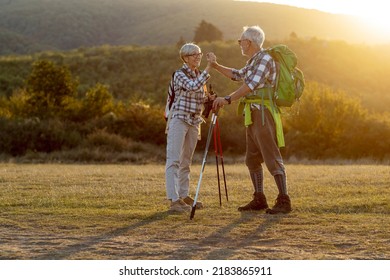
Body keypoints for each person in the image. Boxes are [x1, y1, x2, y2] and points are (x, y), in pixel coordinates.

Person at [209, 26, 292, 214]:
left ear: (250, 42)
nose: (239, 44)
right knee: (252, 159)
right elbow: (238, 75)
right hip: (253, 113)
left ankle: (284, 200)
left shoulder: (264, 59)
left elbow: (250, 85)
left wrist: (228, 99)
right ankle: (259, 199)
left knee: (271, 156)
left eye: (241, 41)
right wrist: (216, 66)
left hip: (264, 113)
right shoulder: (255, 60)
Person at [165, 43, 214, 213]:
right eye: (194, 54)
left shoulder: (199, 75)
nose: (198, 57)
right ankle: (174, 199)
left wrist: (210, 100)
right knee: (174, 160)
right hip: (179, 119)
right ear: (185, 58)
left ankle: (184, 196)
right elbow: (192, 86)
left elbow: (200, 98)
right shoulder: (179, 74)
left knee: (186, 161)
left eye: (199, 54)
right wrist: (209, 67)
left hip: (194, 122)